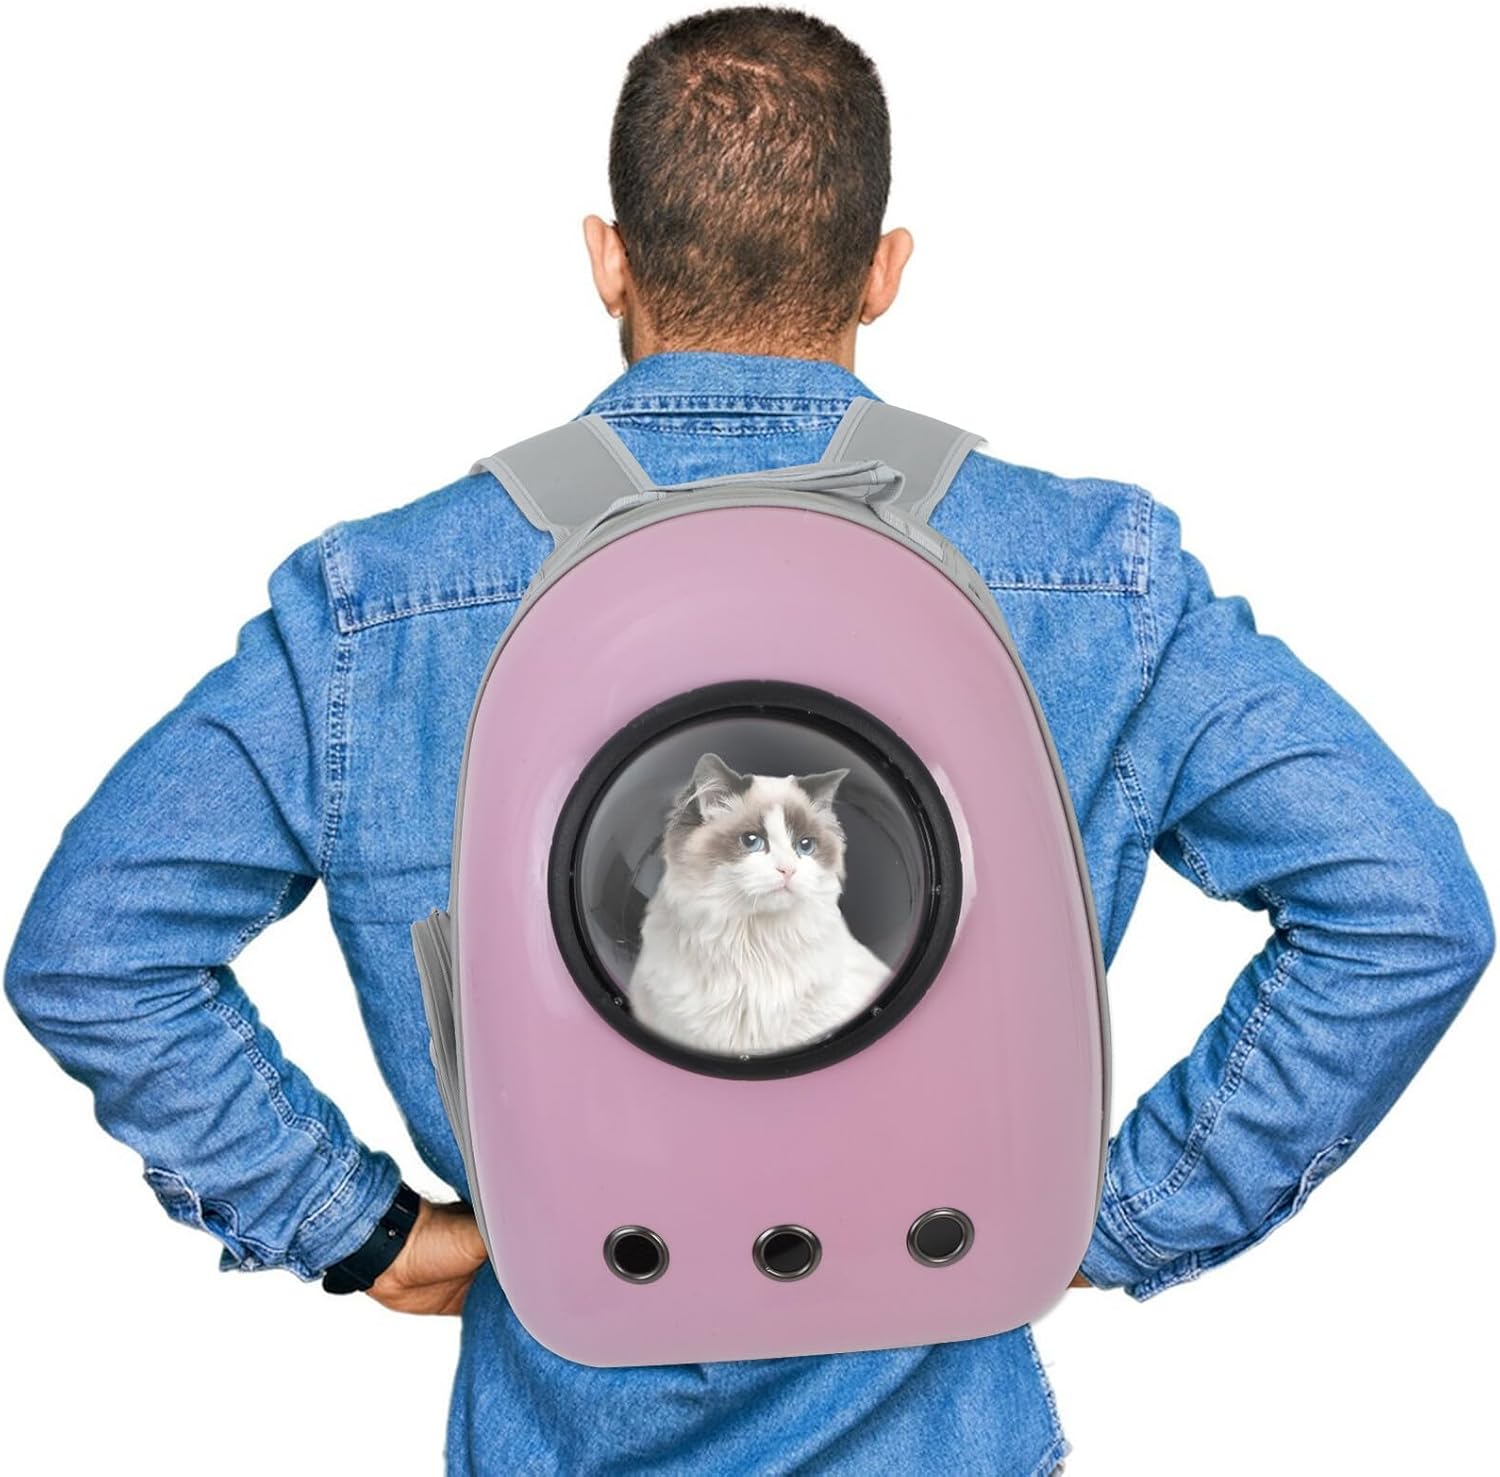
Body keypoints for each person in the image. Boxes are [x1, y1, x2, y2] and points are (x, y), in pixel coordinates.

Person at [5, 6, 1492, 1474]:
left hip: (554, 1430)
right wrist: (1110, 1219)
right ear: (885, 271)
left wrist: (359, 1229)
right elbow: (1405, 909)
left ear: (608, 257)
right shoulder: (1095, 575)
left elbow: (95, 948)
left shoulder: (376, 603)